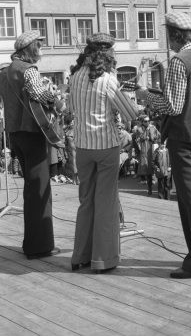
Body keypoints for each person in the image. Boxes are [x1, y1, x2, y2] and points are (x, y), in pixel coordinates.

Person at [136, 12, 191, 279]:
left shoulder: (179, 61)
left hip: (183, 135)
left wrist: (145, 96)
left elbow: (172, 106)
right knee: (190, 197)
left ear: (175, 35)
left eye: (168, 35)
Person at [0, 31, 60, 259]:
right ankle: (39, 246)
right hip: (32, 133)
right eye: (39, 45)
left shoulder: (5, 72)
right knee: (40, 190)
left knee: (31, 187)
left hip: (15, 133)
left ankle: (32, 243)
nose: (41, 48)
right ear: (30, 49)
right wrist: (54, 97)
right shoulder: (28, 70)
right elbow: (38, 95)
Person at [68, 33, 127, 273]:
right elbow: (129, 112)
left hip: (82, 146)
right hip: (106, 146)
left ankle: (79, 256)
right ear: (108, 53)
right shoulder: (109, 80)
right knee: (106, 203)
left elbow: (72, 109)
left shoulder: (74, 77)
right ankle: (103, 259)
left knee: (86, 202)